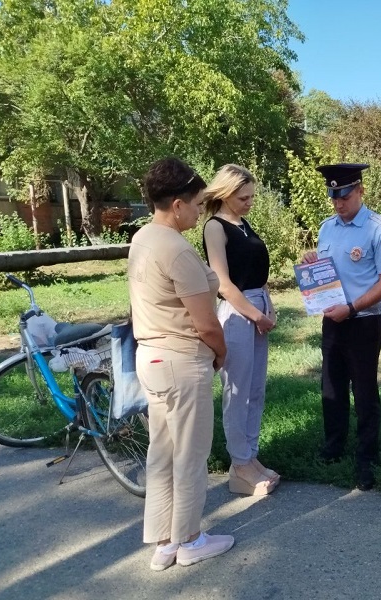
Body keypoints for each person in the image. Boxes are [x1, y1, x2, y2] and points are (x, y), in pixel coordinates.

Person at [128, 157, 234, 571]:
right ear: (176, 204)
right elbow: (206, 323)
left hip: (151, 358)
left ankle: (164, 541)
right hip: (180, 359)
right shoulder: (177, 250)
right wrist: (221, 354)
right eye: (195, 203)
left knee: (163, 451)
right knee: (190, 453)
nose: (198, 210)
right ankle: (190, 539)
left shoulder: (143, 238)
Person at [300, 163, 381, 491]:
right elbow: (329, 272)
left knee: (365, 390)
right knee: (332, 386)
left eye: (344, 195)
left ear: (360, 191)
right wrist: (314, 267)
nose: (338, 203)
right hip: (333, 320)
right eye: (333, 196)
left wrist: (353, 307)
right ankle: (334, 446)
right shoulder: (327, 227)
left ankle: (367, 456)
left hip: (364, 321)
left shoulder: (379, 229)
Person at [202, 164, 279, 497]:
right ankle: (240, 462)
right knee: (237, 390)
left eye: (251, 196)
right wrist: (256, 315)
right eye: (243, 197)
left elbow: (257, 273)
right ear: (226, 193)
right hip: (237, 312)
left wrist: (269, 304)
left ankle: (250, 456)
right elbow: (223, 284)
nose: (249, 202)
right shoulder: (215, 227)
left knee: (256, 388)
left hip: (258, 305)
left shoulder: (243, 223)